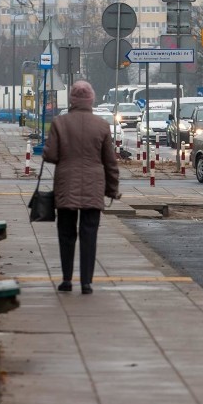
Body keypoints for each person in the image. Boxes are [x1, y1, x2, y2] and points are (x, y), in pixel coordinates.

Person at [43, 81, 120, 295]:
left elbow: (50, 155)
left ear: (71, 100)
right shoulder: (102, 126)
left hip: (66, 185)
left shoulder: (60, 123)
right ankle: (86, 283)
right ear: (92, 99)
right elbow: (110, 162)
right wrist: (112, 189)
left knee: (66, 234)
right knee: (89, 235)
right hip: (94, 187)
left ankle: (67, 280)